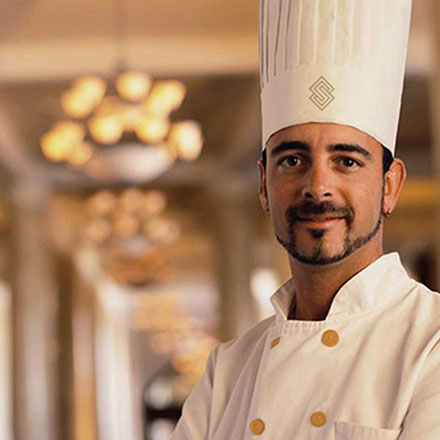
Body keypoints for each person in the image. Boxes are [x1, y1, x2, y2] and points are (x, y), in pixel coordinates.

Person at [171, 0, 440, 438]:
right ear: (264, 184)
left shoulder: (431, 343)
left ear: (390, 185)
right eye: (292, 160)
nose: (317, 186)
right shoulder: (229, 369)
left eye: (347, 161)